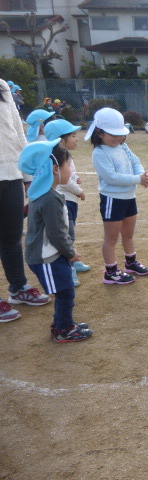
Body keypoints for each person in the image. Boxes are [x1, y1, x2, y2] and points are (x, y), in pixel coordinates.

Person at [19, 139, 93, 342]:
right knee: (65, 292)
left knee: (66, 289)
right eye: (68, 165)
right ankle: (63, 329)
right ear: (54, 168)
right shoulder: (50, 198)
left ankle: (64, 324)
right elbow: (57, 233)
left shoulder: (46, 193)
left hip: (52, 253)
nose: (71, 169)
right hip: (45, 258)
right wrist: (72, 253)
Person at [0, 78, 50, 323]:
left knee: (11, 237)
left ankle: (18, 288)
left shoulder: (2, 87)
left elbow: (17, 131)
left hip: (9, 173)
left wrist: (27, 175)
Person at [85, 107, 148, 285]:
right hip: (112, 200)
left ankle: (131, 263)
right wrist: (138, 179)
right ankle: (111, 271)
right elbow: (111, 177)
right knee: (111, 238)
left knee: (128, 235)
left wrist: (142, 175)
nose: (118, 138)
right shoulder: (99, 153)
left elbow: (135, 161)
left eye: (120, 134)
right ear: (99, 133)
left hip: (129, 197)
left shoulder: (123, 146)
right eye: (112, 135)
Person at [45, 119, 91, 286]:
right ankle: (69, 268)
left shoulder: (65, 155)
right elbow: (64, 181)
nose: (76, 138)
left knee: (71, 233)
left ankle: (73, 261)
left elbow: (69, 175)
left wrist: (76, 178)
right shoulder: (58, 156)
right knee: (67, 234)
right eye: (72, 136)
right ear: (60, 139)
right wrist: (80, 191)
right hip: (64, 200)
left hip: (69, 201)